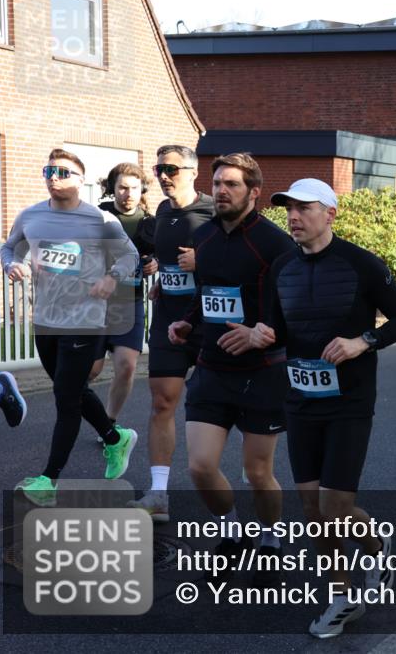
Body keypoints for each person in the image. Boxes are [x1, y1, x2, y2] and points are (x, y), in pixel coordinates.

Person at [247, 178, 396, 636]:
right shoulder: (280, 268)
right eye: (289, 209)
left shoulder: (362, 264)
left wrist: (364, 341)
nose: (293, 217)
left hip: (349, 401)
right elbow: (271, 327)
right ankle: (340, 595)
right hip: (299, 398)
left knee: (336, 505)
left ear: (330, 213)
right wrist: (261, 335)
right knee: (312, 507)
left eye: (304, 208)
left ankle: (376, 548)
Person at [167, 153, 296, 586]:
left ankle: (272, 536)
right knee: (201, 467)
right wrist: (188, 320)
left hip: (261, 371)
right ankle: (232, 529)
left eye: (233, 184)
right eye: (218, 182)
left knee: (258, 472)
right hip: (211, 367)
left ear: (254, 193)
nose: (222, 190)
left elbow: (291, 306)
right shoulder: (201, 236)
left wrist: (266, 332)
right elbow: (206, 292)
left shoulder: (275, 243)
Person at [0, 149, 139, 506]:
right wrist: (12, 266)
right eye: (49, 170)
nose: (54, 176)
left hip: (86, 320)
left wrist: (112, 278)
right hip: (46, 319)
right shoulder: (30, 216)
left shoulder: (100, 220)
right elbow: (8, 249)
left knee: (65, 397)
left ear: (82, 180)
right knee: (71, 389)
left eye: (63, 172)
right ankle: (114, 438)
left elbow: (130, 256)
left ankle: (49, 480)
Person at [130, 145, 215, 522]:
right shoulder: (162, 212)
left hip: (210, 321)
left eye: (171, 169)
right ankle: (159, 494)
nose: (163, 175)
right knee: (162, 402)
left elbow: (245, 259)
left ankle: (250, 475)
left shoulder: (215, 210)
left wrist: (204, 261)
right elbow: (164, 257)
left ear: (193, 172)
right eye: (158, 168)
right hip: (167, 318)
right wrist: (162, 276)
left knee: (220, 404)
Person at [88, 163, 157, 427]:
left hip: (130, 303)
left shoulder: (151, 223)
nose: (128, 193)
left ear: (143, 190)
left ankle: (109, 422)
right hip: (96, 303)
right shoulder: (98, 216)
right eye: (122, 187)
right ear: (112, 189)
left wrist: (155, 263)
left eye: (134, 188)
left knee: (127, 366)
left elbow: (161, 254)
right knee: (91, 371)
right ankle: (76, 411)